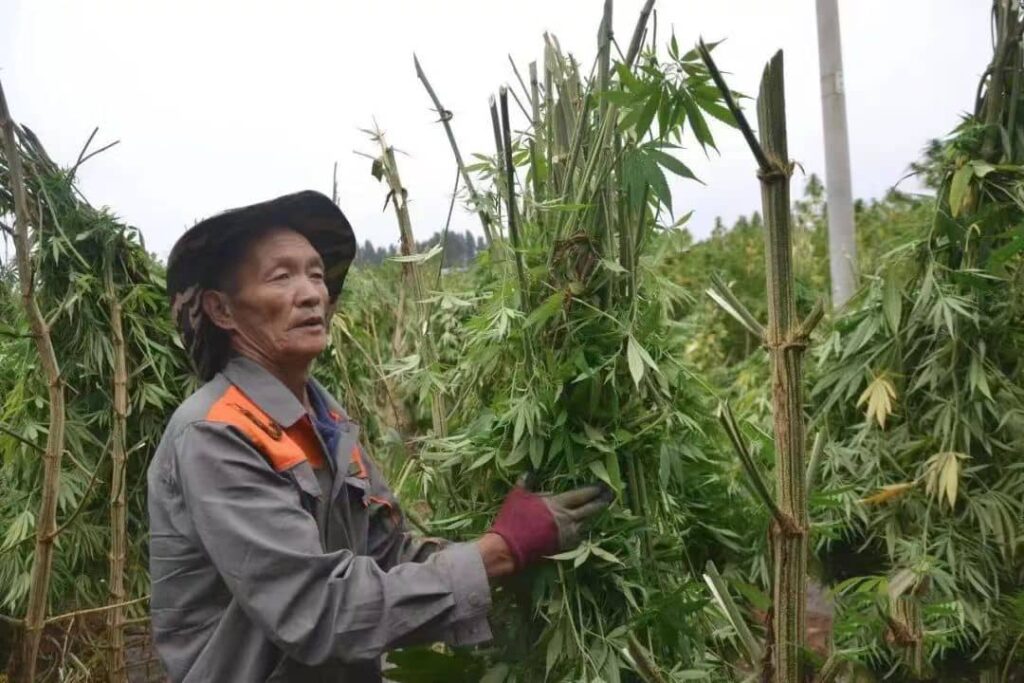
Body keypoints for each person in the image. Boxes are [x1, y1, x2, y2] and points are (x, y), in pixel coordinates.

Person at [148, 190, 611, 682]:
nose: (311, 294)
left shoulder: (324, 421)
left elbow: (388, 554)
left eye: (316, 275)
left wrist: (507, 546)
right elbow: (316, 609)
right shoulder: (217, 433)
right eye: (281, 277)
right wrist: (496, 552)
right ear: (222, 311)